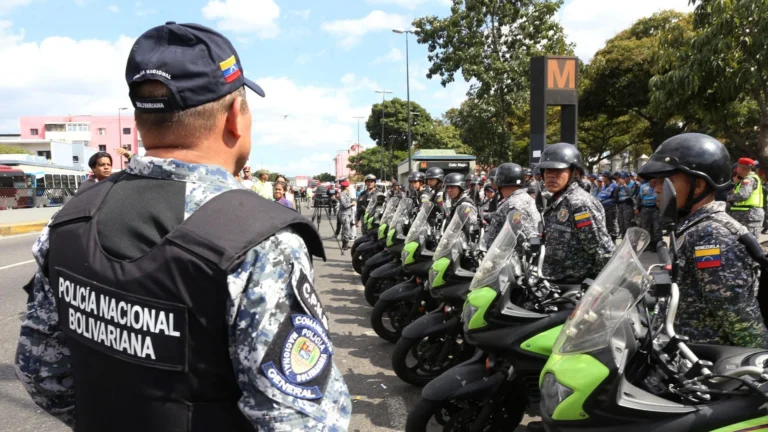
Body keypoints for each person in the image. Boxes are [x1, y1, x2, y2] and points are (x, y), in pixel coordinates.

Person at [15, 21, 351, 431]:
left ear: (141, 119)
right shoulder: (259, 239)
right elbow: (300, 421)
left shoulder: (71, 218)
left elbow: (42, 373)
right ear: (235, 117)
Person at [639, 133, 768, 348]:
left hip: (705, 359)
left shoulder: (710, 235)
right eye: (655, 181)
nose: (657, 188)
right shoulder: (693, 227)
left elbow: (740, 320)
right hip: (683, 350)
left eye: (666, 181)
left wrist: (760, 358)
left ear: (698, 186)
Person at [539, 143, 614, 283]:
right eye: (547, 171)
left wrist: (598, 286)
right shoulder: (556, 200)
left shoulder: (579, 203)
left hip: (573, 284)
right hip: (551, 281)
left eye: (557, 171)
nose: (550, 176)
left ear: (575, 173)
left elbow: (602, 250)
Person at [484, 163, 541, 249]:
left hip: (509, 254)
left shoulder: (512, 205)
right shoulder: (527, 198)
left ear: (499, 182)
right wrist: (484, 215)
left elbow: (526, 232)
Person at [728, 157, 765, 238]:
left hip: (750, 216)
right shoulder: (743, 180)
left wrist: (727, 198)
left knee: (749, 242)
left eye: (738, 168)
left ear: (742, 169)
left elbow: (743, 195)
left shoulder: (749, 179)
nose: (736, 170)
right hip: (745, 215)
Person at [635, 178, 661, 252]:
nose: (654, 180)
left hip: (656, 208)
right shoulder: (643, 186)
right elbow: (639, 198)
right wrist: (637, 208)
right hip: (645, 208)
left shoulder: (659, 186)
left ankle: (657, 245)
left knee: (657, 227)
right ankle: (647, 245)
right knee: (645, 228)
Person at [597, 171, 620, 241]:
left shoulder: (614, 186)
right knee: (606, 224)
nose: (602, 178)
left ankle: (614, 238)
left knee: (612, 223)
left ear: (607, 177)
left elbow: (616, 198)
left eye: (603, 176)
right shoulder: (604, 187)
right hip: (604, 208)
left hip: (611, 208)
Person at [337, 179, 356, 249]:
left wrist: (353, 201)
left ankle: (345, 243)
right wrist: (352, 204)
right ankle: (345, 244)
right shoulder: (342, 195)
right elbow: (344, 205)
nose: (349, 188)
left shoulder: (347, 194)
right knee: (346, 228)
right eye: (348, 186)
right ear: (346, 187)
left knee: (346, 228)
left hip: (348, 213)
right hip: (344, 214)